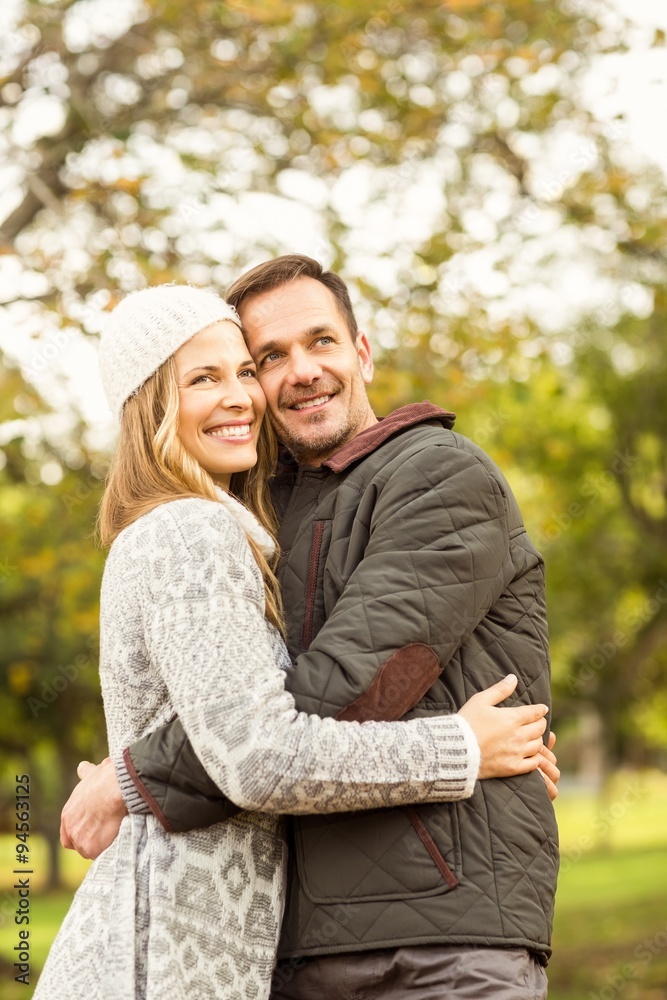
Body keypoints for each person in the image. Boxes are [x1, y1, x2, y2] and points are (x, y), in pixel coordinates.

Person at [36, 283, 553, 1000]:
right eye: (269, 357)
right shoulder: (228, 518)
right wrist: (462, 746)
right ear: (154, 406)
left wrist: (133, 778)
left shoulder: (437, 475)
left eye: (320, 341)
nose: (298, 371)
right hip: (278, 945)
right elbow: (253, 733)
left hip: (435, 936)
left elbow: (348, 692)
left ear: (362, 352)